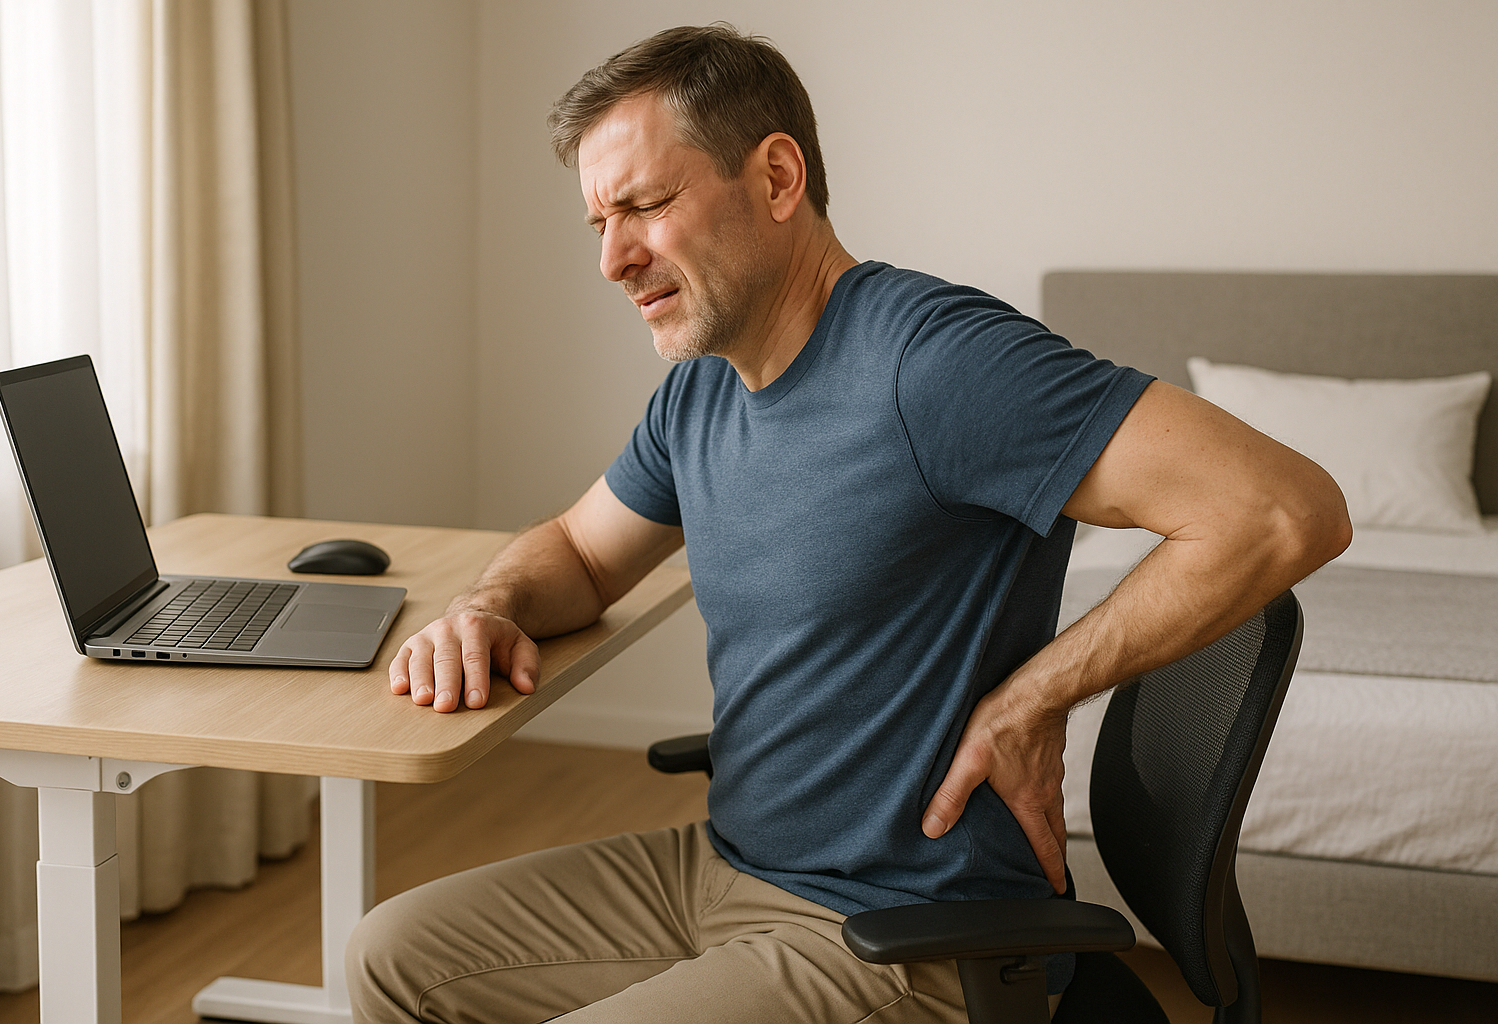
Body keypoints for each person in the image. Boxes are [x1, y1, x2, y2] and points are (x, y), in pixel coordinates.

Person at [347, 24, 1350, 1024]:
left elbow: (1281, 508)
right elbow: (576, 551)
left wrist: (1035, 695)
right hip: (723, 866)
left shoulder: (933, 363)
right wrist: (488, 606)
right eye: (599, 222)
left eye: (646, 205)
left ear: (778, 178)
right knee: (387, 955)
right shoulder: (702, 392)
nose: (614, 257)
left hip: (906, 935)